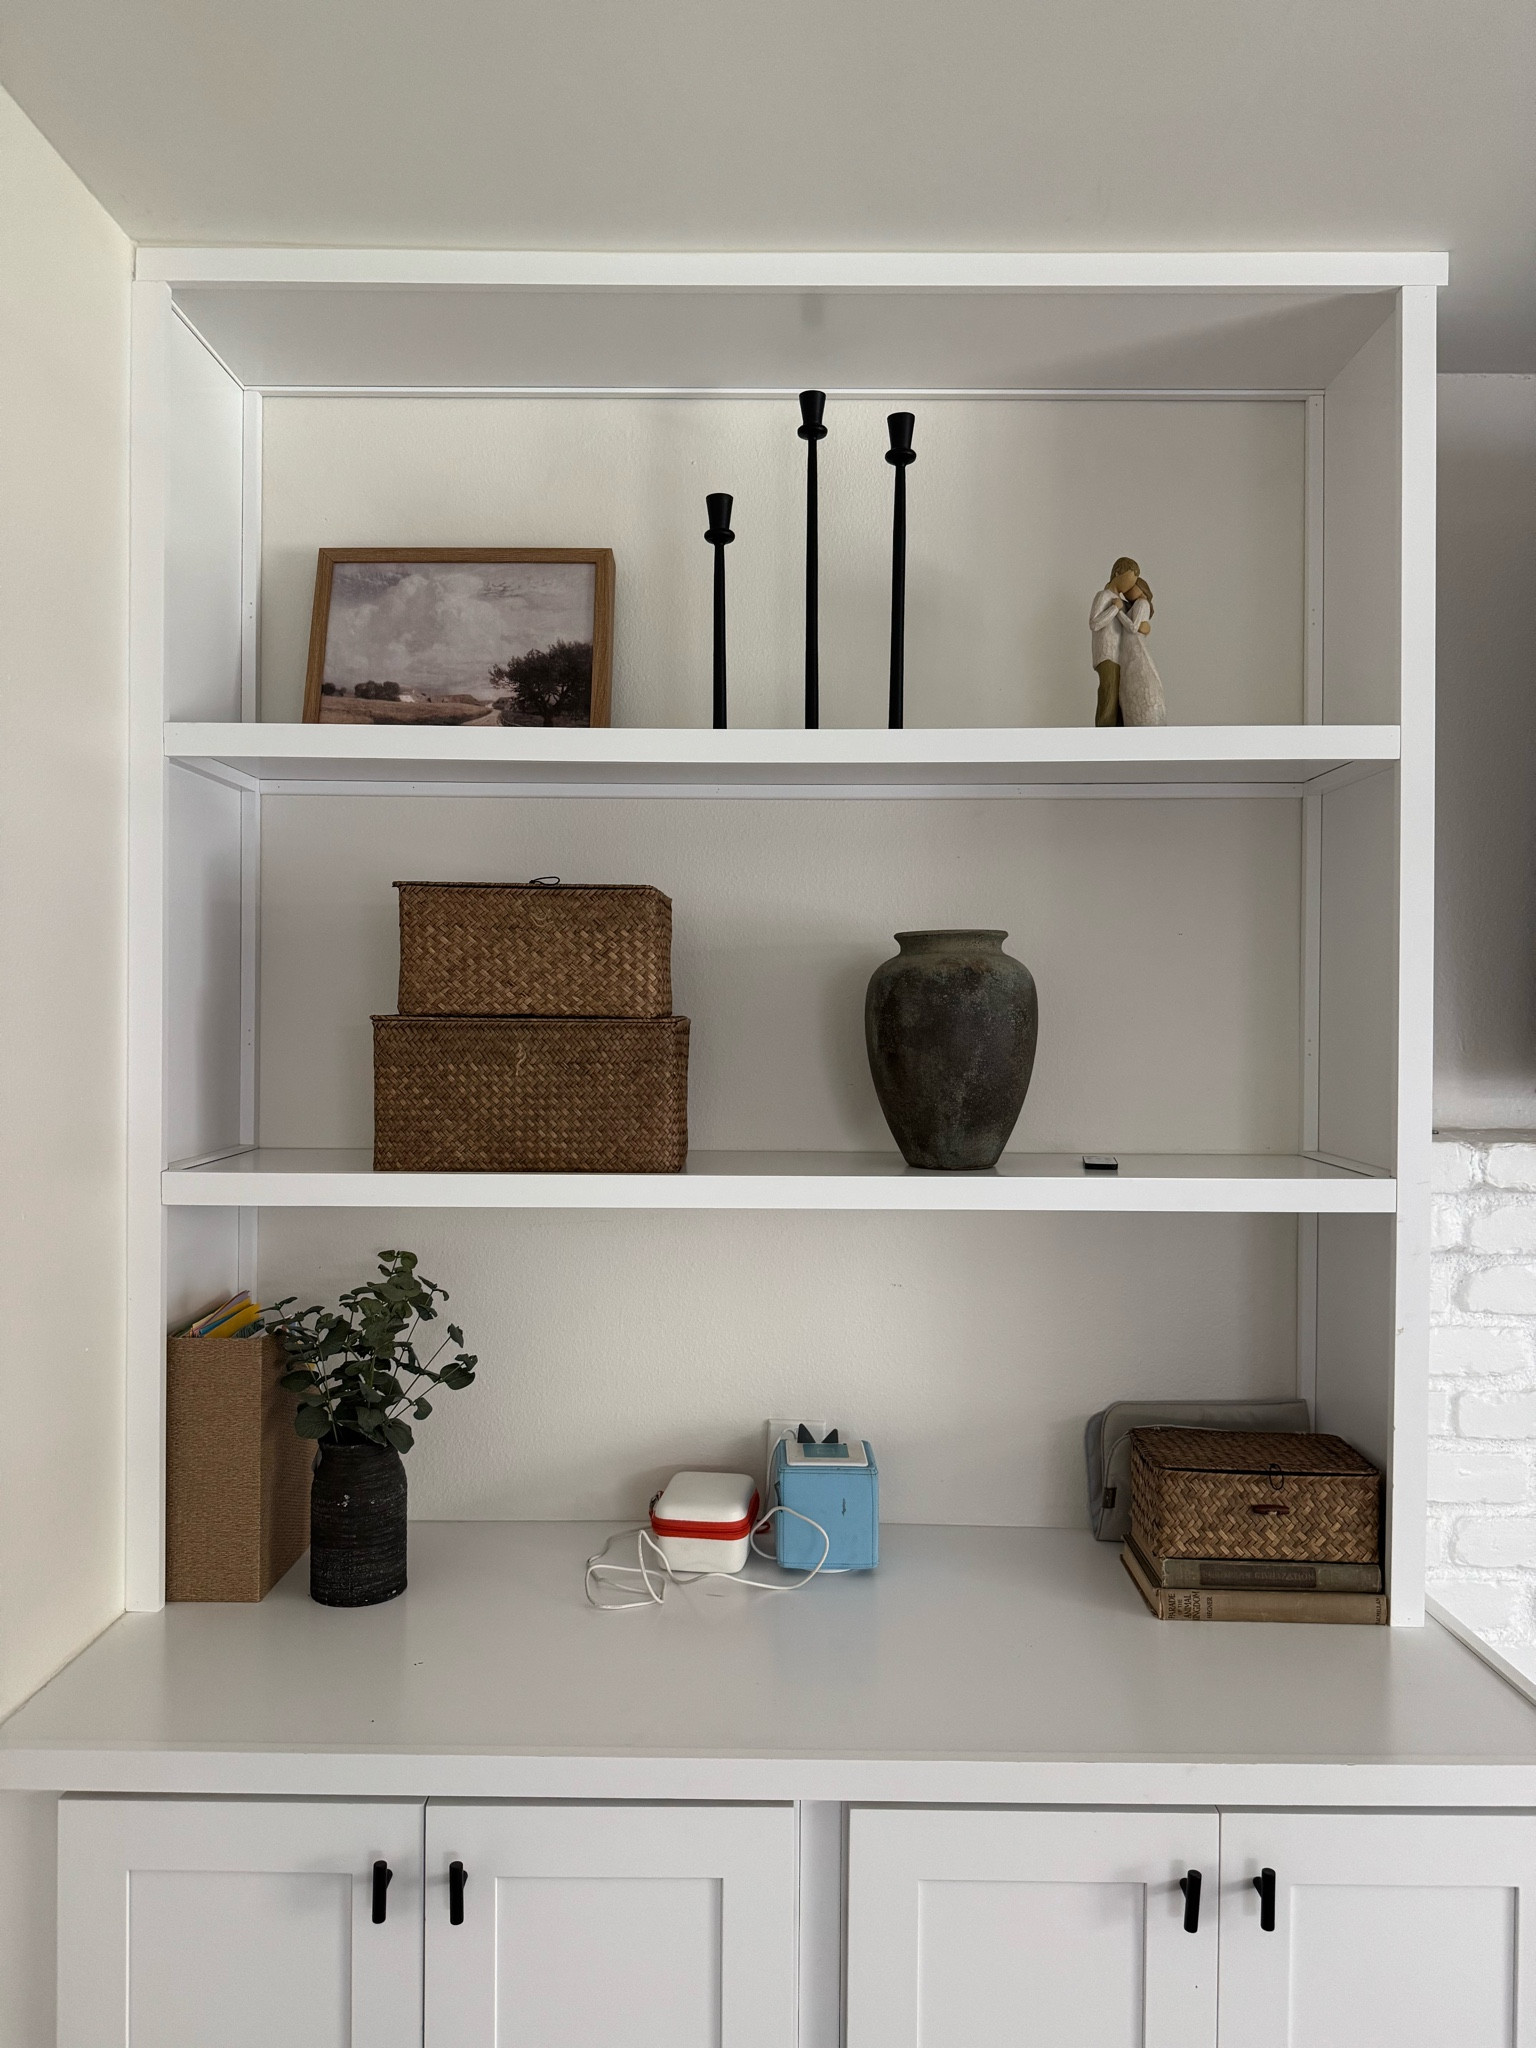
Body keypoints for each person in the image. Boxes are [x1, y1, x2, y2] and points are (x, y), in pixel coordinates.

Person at [1089, 557, 1140, 726]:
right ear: (1117, 573)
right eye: (1128, 580)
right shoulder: (1104, 596)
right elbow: (1094, 623)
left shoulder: (1123, 603)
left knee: (1121, 699)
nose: (1130, 586)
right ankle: (1105, 731)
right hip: (1107, 654)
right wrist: (1114, 608)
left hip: (1121, 656)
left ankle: (1119, 733)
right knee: (1109, 693)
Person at [1116, 577, 1166, 726]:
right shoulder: (1136, 605)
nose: (1126, 592)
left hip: (1135, 645)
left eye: (1131, 588)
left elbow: (1133, 627)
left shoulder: (1142, 603)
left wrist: (1117, 611)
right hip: (1130, 647)